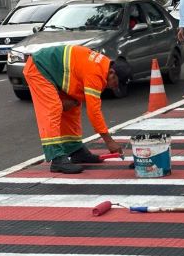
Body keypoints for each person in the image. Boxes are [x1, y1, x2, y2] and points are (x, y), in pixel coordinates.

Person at [23, 44, 128, 174]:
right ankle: (57, 159)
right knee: (52, 108)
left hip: (55, 71)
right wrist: (109, 141)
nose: (113, 87)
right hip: (39, 67)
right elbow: (94, 112)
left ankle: (75, 150)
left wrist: (72, 101)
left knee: (73, 106)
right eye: (115, 83)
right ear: (112, 72)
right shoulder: (96, 74)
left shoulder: (103, 66)